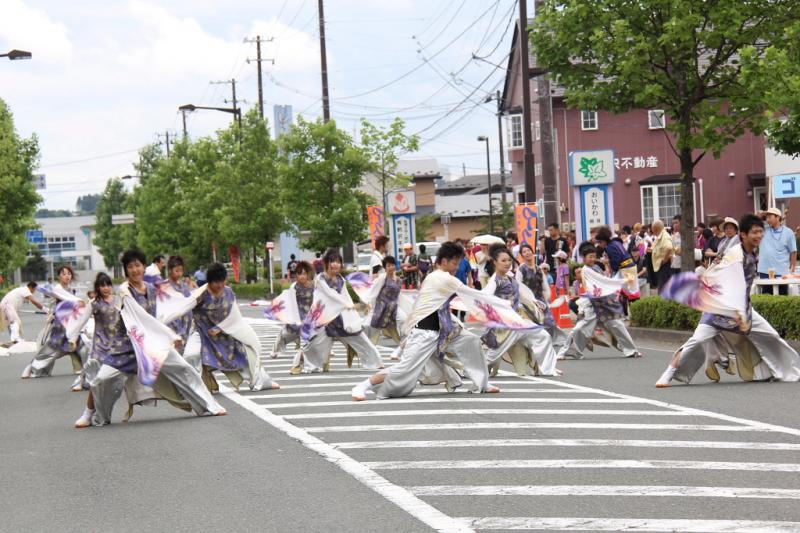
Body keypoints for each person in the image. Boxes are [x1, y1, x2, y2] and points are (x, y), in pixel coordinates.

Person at [74, 249, 226, 426]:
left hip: (152, 345)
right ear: (126, 270)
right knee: (101, 379)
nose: (134, 270)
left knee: (183, 368)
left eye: (138, 265)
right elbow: (140, 317)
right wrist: (169, 334)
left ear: (144, 267)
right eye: (130, 267)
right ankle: (90, 414)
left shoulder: (152, 289)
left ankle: (210, 405)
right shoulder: (124, 291)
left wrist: (172, 331)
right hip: (126, 346)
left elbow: (162, 313)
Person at [656, 214, 800, 387]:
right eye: (755, 232)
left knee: (771, 336)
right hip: (719, 309)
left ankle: (791, 370)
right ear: (744, 235)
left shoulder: (751, 252)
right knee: (697, 340)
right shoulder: (735, 255)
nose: (759, 235)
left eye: (761, 232)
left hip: (742, 310)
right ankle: (669, 373)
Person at [350, 241, 500, 401]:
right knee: (404, 370)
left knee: (471, 340)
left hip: (446, 329)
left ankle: (483, 383)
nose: (457, 267)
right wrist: (497, 281)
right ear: (444, 261)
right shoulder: (443, 278)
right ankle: (364, 385)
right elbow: (477, 296)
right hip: (425, 332)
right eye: (455, 263)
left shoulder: (434, 276)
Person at [188, 263, 279, 392]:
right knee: (191, 355)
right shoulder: (200, 294)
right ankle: (193, 387)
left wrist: (220, 328)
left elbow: (234, 316)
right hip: (202, 332)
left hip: (224, 334)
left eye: (222, 281)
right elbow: (184, 308)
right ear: (209, 282)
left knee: (243, 355)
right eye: (216, 282)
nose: (220, 285)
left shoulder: (228, 293)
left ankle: (262, 381)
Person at [482, 245, 561, 377]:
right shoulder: (494, 280)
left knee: (543, 336)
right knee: (491, 358)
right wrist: (502, 304)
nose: (507, 263)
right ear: (495, 262)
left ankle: (547, 369)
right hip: (504, 326)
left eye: (509, 260)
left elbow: (522, 293)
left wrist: (534, 302)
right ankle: (470, 371)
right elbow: (485, 297)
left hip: (518, 322)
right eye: (503, 260)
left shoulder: (510, 277)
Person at [558, 242, 643, 360]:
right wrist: (622, 281)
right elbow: (604, 281)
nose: (593, 259)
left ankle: (631, 350)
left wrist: (620, 281)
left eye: (594, 256)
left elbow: (605, 281)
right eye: (590, 257)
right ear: (584, 258)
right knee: (579, 328)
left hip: (604, 303)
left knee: (617, 325)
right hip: (593, 305)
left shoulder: (597, 267)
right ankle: (567, 352)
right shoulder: (586, 270)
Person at [303, 248, 383, 373]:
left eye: (338, 262)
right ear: (326, 263)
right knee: (313, 345)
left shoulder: (341, 279)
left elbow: (347, 296)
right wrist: (347, 305)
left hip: (341, 320)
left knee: (361, 340)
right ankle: (307, 365)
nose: (335, 264)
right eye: (332, 261)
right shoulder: (321, 279)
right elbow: (330, 294)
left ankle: (374, 362)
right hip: (326, 320)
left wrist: (356, 306)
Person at [21, 266, 88, 380]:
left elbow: (73, 303)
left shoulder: (71, 290)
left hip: (70, 323)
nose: (67, 276)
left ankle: (84, 368)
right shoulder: (58, 289)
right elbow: (69, 300)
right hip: (60, 325)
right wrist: (80, 302)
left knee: (79, 344)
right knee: (52, 347)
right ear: (59, 276)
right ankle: (33, 368)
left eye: (69, 274)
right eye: (64, 274)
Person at [270, 261, 315, 374]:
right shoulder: (294, 287)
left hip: (309, 317)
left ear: (308, 274)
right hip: (296, 316)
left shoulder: (314, 286)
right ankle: (276, 348)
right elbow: (289, 302)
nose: (302, 276)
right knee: (286, 335)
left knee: (314, 336)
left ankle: (318, 353)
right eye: (299, 274)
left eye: (304, 274)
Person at [364, 255, 403, 346]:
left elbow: (399, 295)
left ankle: (402, 345)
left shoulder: (398, 280)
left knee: (403, 320)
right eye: (388, 266)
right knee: (371, 329)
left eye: (392, 265)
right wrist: (369, 304)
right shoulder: (382, 278)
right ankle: (365, 346)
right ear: (385, 268)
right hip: (380, 309)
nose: (391, 267)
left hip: (393, 309)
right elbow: (373, 292)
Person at [757, 207, 797, 295]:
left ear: (778, 217)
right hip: (764, 270)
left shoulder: (788, 232)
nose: (767, 219)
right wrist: (758, 216)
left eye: (770, 217)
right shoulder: (763, 230)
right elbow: (752, 227)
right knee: (766, 297)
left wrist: (793, 268)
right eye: (766, 217)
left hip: (782, 271)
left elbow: (793, 251)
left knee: (782, 296)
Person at [649, 219, 673, 290]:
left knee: (663, 289)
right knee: (662, 287)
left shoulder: (665, 236)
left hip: (664, 267)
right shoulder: (660, 236)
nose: (652, 231)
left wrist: (664, 260)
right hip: (661, 267)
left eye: (652, 229)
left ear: (655, 229)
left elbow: (669, 248)